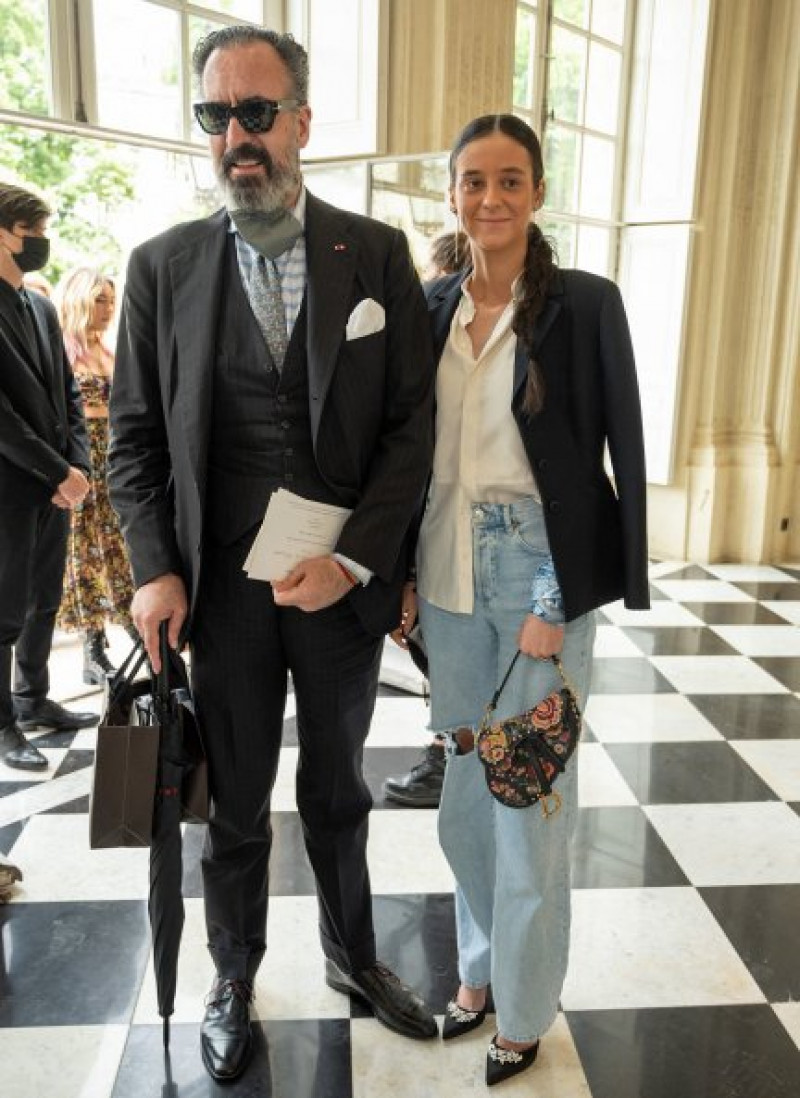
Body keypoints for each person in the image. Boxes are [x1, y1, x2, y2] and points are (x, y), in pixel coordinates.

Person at [107, 26, 437, 1085]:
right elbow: (133, 438)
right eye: (216, 117)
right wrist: (154, 566)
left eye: (256, 113)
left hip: (339, 589)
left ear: (301, 119)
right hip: (224, 598)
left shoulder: (373, 252)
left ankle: (352, 955)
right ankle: (233, 976)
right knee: (233, 801)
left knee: (339, 787)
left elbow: (409, 427)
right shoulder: (162, 266)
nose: (237, 137)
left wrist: (354, 561)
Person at [395, 114, 649, 1086]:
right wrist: (405, 580)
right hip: (446, 571)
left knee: (530, 796)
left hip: (534, 569)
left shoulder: (582, 304)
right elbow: (407, 460)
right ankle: (477, 974)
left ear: (535, 193)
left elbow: (601, 458)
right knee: (464, 798)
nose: (489, 199)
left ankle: (525, 1005)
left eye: (508, 181)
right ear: (451, 195)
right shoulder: (429, 307)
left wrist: (561, 593)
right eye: (471, 182)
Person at [0, 183, 98, 773]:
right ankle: (3, 725)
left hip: (56, 484)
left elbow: (67, 393)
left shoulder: (38, 306)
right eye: (32, 231)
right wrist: (56, 469)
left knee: (44, 601)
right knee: (3, 610)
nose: (41, 242)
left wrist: (79, 467)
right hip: (9, 486)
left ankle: (32, 699)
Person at [382, 228, 469, 809]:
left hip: (444, 516)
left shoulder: (435, 312)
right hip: (433, 513)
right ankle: (451, 759)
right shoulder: (438, 315)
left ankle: (447, 762)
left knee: (445, 654)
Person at [54, 267, 134, 684]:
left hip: (113, 461)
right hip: (82, 460)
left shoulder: (109, 350)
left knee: (118, 549)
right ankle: (93, 646)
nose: (107, 308)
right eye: (99, 299)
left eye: (110, 300)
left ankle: (133, 630)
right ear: (79, 299)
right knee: (82, 555)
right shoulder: (61, 350)